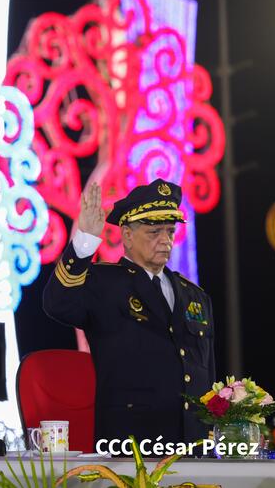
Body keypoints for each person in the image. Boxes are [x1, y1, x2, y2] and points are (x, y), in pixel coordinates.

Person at [43, 179, 215, 445]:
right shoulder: (103, 282)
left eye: (170, 231)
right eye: (154, 232)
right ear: (127, 235)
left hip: (193, 442)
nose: (165, 240)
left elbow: (206, 372)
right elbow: (57, 303)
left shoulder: (194, 296)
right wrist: (85, 241)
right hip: (131, 442)